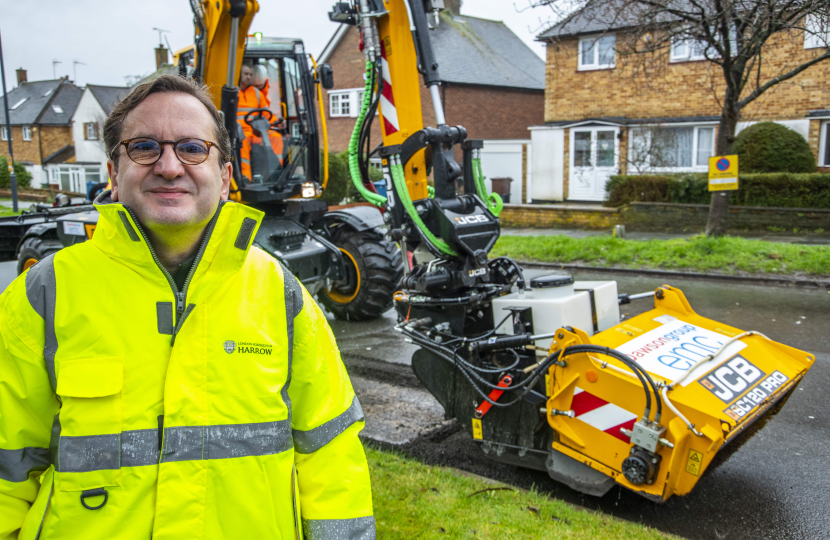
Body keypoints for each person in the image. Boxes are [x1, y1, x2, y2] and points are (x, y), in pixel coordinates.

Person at [0, 75, 374, 540]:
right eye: (144, 147)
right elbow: (6, 469)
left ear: (224, 177)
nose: (170, 166)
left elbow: (330, 454)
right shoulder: (44, 295)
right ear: (114, 174)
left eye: (193, 148)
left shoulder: (279, 293)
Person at [237, 62, 283, 181]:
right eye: (245, 74)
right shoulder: (233, 93)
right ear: (239, 74)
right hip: (240, 131)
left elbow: (267, 113)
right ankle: (246, 178)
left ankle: (277, 174)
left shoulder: (257, 93)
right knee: (243, 143)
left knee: (276, 137)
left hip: (257, 130)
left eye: (250, 74)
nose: (248, 77)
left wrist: (276, 122)